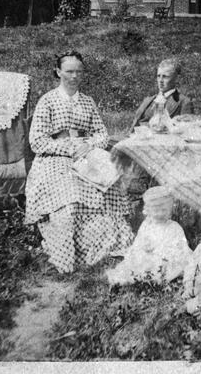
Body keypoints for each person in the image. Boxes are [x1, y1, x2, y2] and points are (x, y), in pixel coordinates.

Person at [25, 51, 133, 274]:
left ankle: (103, 247)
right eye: (69, 71)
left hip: (87, 155)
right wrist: (68, 147)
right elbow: (37, 141)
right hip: (55, 158)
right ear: (58, 72)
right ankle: (69, 252)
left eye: (78, 72)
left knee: (109, 186)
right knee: (71, 196)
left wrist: (90, 145)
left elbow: (102, 134)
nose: (74, 76)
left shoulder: (87, 101)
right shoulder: (48, 101)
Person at [105, 186, 192, 285]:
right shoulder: (147, 225)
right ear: (149, 211)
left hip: (166, 259)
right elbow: (138, 243)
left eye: (164, 210)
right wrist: (144, 246)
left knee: (171, 264)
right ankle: (141, 277)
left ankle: (155, 277)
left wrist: (165, 252)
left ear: (170, 209)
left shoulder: (174, 227)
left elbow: (180, 247)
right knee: (137, 260)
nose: (160, 214)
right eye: (156, 211)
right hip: (149, 257)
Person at [130, 58, 193, 131]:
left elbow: (187, 132)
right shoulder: (148, 101)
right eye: (158, 76)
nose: (160, 80)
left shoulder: (184, 102)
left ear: (176, 78)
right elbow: (134, 126)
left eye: (165, 76)